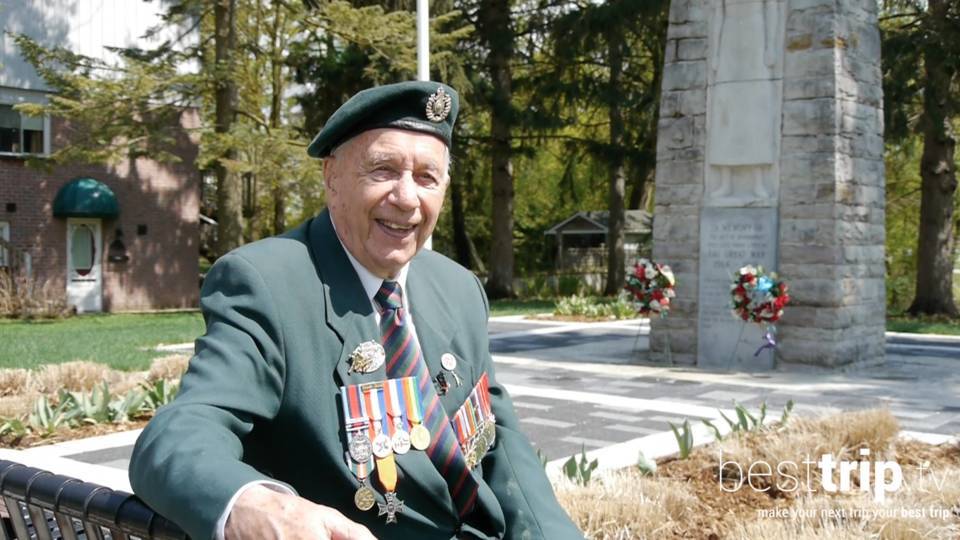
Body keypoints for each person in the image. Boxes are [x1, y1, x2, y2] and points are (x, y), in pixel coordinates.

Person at [129, 81, 583, 540]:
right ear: (332, 177)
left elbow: (497, 438)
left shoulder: (459, 287)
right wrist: (251, 500)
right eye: (383, 170)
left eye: (427, 177)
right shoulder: (265, 284)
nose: (407, 198)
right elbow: (179, 435)